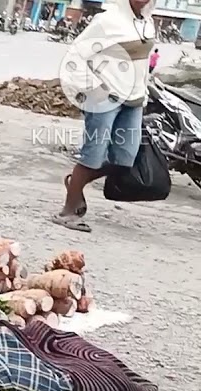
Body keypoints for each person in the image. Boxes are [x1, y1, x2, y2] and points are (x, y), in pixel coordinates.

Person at [51, 0, 155, 233]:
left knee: (126, 157)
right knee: (92, 155)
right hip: (104, 99)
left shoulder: (148, 22)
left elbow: (143, 63)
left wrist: (145, 91)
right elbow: (76, 55)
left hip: (134, 100)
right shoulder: (108, 20)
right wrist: (91, 89)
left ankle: (76, 182)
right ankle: (68, 211)